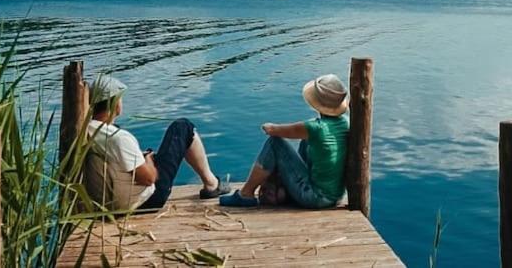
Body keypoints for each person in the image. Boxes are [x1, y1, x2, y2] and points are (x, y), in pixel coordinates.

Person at [84, 75, 230, 212]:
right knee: (182, 127)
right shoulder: (119, 138)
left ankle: (211, 183)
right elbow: (148, 179)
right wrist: (147, 160)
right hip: (145, 201)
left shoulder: (88, 129)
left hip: (107, 201)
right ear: (115, 104)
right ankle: (212, 185)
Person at [220, 74, 349, 209]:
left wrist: (265, 124)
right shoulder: (345, 122)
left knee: (274, 143)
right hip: (335, 196)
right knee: (306, 142)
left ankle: (246, 194)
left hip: (314, 197)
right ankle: (283, 189)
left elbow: (272, 130)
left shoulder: (315, 128)